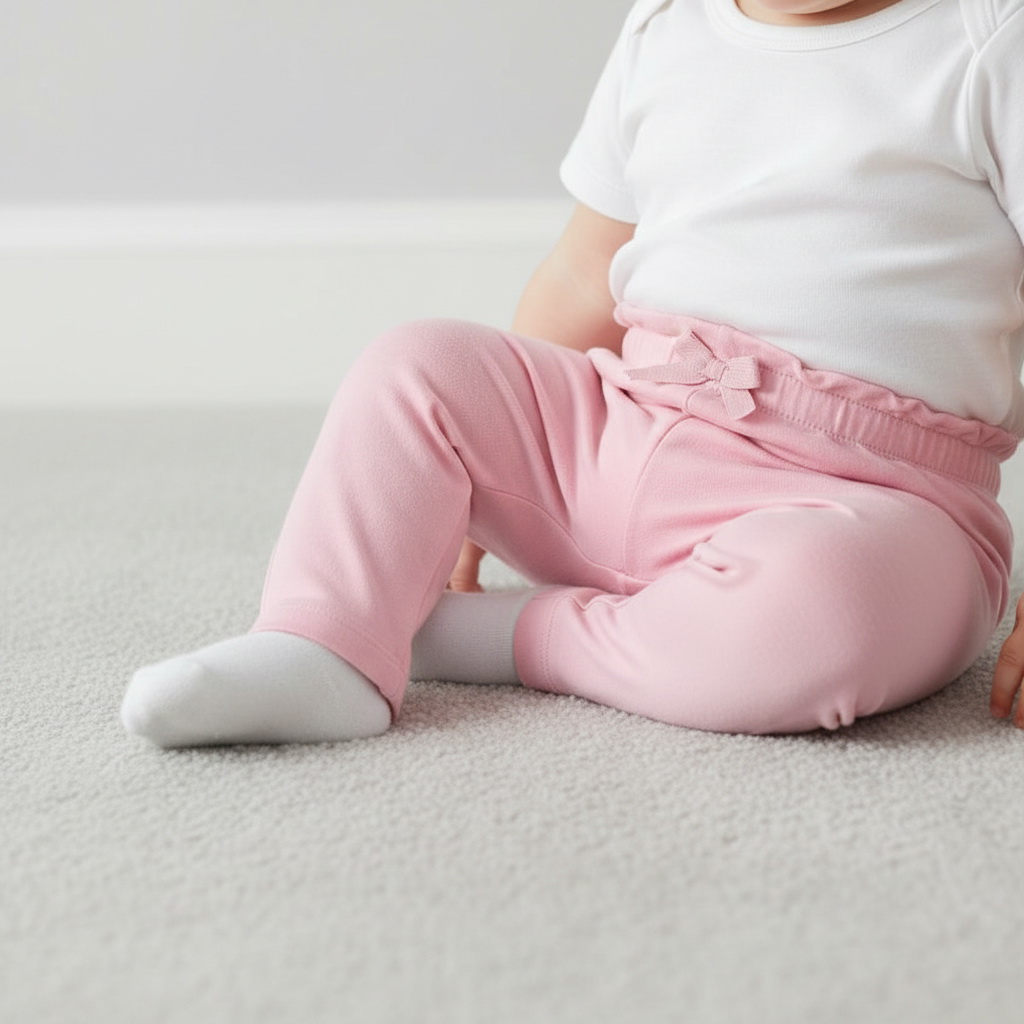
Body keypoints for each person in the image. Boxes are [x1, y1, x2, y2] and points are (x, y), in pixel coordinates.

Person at [121, 0, 1024, 747]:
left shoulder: (987, 39)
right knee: (417, 365)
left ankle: (493, 637)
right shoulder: (665, 27)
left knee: (826, 614)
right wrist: (462, 494)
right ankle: (322, 642)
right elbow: (584, 276)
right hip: (623, 436)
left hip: (872, 504)